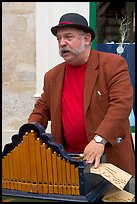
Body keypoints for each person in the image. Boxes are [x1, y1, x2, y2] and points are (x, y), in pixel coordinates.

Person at [28, 13, 135, 176]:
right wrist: (27, 135)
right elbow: (41, 110)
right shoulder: (52, 76)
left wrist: (100, 139)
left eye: (68, 37)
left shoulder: (113, 65)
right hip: (70, 162)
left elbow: (121, 105)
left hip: (109, 161)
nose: (62, 43)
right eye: (59, 39)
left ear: (86, 39)